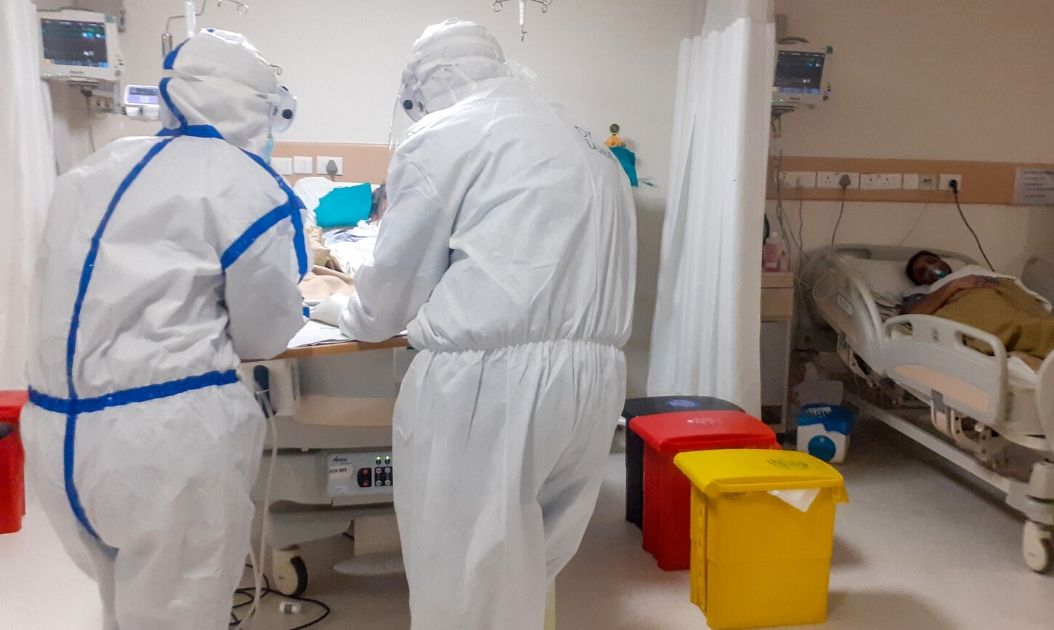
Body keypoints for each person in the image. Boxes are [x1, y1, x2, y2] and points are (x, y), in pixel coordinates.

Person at [311, 19, 636, 630]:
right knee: (528, 572)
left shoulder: (445, 135)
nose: (415, 113)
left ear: (435, 81)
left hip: (490, 386)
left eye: (415, 100)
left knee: (463, 587)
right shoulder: (584, 138)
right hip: (594, 382)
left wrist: (335, 307)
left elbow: (388, 303)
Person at [23, 29, 307, 630]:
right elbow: (266, 335)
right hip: (163, 444)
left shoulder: (91, 170)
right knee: (178, 614)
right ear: (257, 107)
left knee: (122, 608)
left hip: (55, 434)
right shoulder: (242, 180)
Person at [901, 251, 1054, 366]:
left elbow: (1016, 291)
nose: (930, 269)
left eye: (931, 261)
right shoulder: (921, 295)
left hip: (1004, 298)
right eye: (921, 271)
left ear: (943, 261)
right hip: (973, 307)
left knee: (1050, 325)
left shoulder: (980, 273)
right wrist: (954, 286)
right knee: (1024, 329)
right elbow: (914, 319)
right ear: (919, 281)